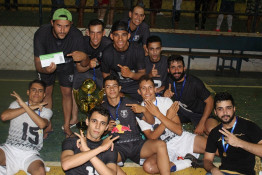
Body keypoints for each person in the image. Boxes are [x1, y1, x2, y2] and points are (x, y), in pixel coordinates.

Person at [34, 8, 89, 138]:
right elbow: (37, 64)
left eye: (66, 26)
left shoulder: (76, 36)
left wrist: (84, 57)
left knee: (67, 93)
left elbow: (84, 65)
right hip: (47, 64)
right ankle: (47, 125)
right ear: (52, 22)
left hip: (67, 64)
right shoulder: (41, 33)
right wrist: (46, 70)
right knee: (46, 92)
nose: (63, 30)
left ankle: (66, 127)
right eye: (59, 25)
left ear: (71, 24)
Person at [133, 75, 206, 172]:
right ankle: (188, 161)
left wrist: (158, 114)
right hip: (164, 148)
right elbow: (152, 137)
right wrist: (167, 117)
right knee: (149, 167)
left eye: (150, 87)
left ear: (155, 89)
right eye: (143, 88)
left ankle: (181, 160)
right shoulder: (139, 111)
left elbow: (179, 130)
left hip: (181, 139)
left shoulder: (166, 101)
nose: (147, 91)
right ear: (139, 91)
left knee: (214, 148)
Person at [102, 74, 171, 175]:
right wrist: (106, 130)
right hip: (117, 147)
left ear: (119, 88)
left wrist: (144, 110)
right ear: (104, 90)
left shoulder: (130, 103)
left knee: (160, 145)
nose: (112, 89)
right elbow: (98, 133)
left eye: (114, 86)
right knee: (101, 158)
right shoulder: (102, 108)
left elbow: (151, 121)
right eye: (108, 87)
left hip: (137, 144)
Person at [0, 80, 53, 175]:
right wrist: (30, 107)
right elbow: (4, 117)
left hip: (30, 153)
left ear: (44, 95)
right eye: (34, 90)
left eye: (40, 91)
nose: (37, 93)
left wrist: (25, 106)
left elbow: (41, 124)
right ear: (28, 92)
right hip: (10, 149)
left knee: (40, 171)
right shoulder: (16, 105)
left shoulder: (46, 111)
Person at [204, 92, 262, 175]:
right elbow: (207, 160)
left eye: (228, 108)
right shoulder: (215, 133)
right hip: (224, 172)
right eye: (220, 109)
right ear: (215, 112)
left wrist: (239, 142)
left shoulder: (248, 126)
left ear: (234, 109)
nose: (225, 112)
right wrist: (213, 169)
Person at [164, 55, 218, 135]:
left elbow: (210, 101)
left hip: (200, 114)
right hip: (183, 113)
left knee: (211, 130)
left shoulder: (194, 83)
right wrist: (164, 93)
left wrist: (202, 123)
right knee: (162, 118)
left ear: (184, 68)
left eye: (179, 67)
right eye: (173, 67)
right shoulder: (169, 80)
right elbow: (163, 91)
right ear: (168, 70)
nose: (176, 70)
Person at [71, 19, 112, 125]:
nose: (95, 37)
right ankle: (74, 117)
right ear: (87, 33)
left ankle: (104, 117)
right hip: (84, 69)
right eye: (92, 33)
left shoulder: (108, 45)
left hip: (101, 70)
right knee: (74, 86)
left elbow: (108, 69)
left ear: (103, 33)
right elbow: (79, 68)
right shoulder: (81, 42)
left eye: (98, 33)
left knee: (107, 87)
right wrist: (89, 64)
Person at [61, 105, 119, 174]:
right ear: (87, 122)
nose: (97, 126)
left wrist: (86, 150)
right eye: (94, 121)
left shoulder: (109, 148)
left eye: (102, 123)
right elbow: (66, 165)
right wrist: (100, 149)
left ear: (106, 127)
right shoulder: (72, 141)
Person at [101, 20, 146, 101]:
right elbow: (106, 75)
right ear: (111, 36)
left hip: (135, 85)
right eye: (116, 35)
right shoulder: (107, 53)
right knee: (104, 103)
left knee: (148, 98)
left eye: (124, 35)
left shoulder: (137, 49)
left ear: (129, 36)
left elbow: (142, 74)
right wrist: (116, 90)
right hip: (116, 85)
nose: (120, 39)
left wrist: (130, 74)